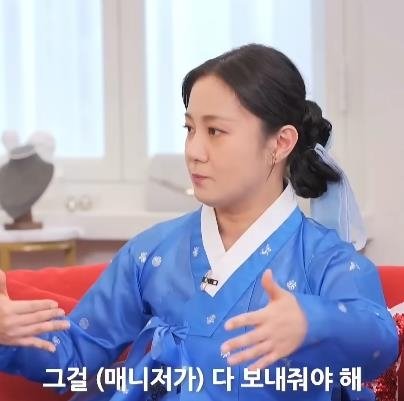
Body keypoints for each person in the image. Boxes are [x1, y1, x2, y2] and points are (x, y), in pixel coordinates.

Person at [0, 44, 398, 401]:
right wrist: (6, 336)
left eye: (215, 131)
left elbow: (379, 343)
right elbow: (73, 357)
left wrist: (313, 322)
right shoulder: (151, 253)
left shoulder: (325, 258)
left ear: (280, 143)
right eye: (190, 129)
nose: (194, 151)